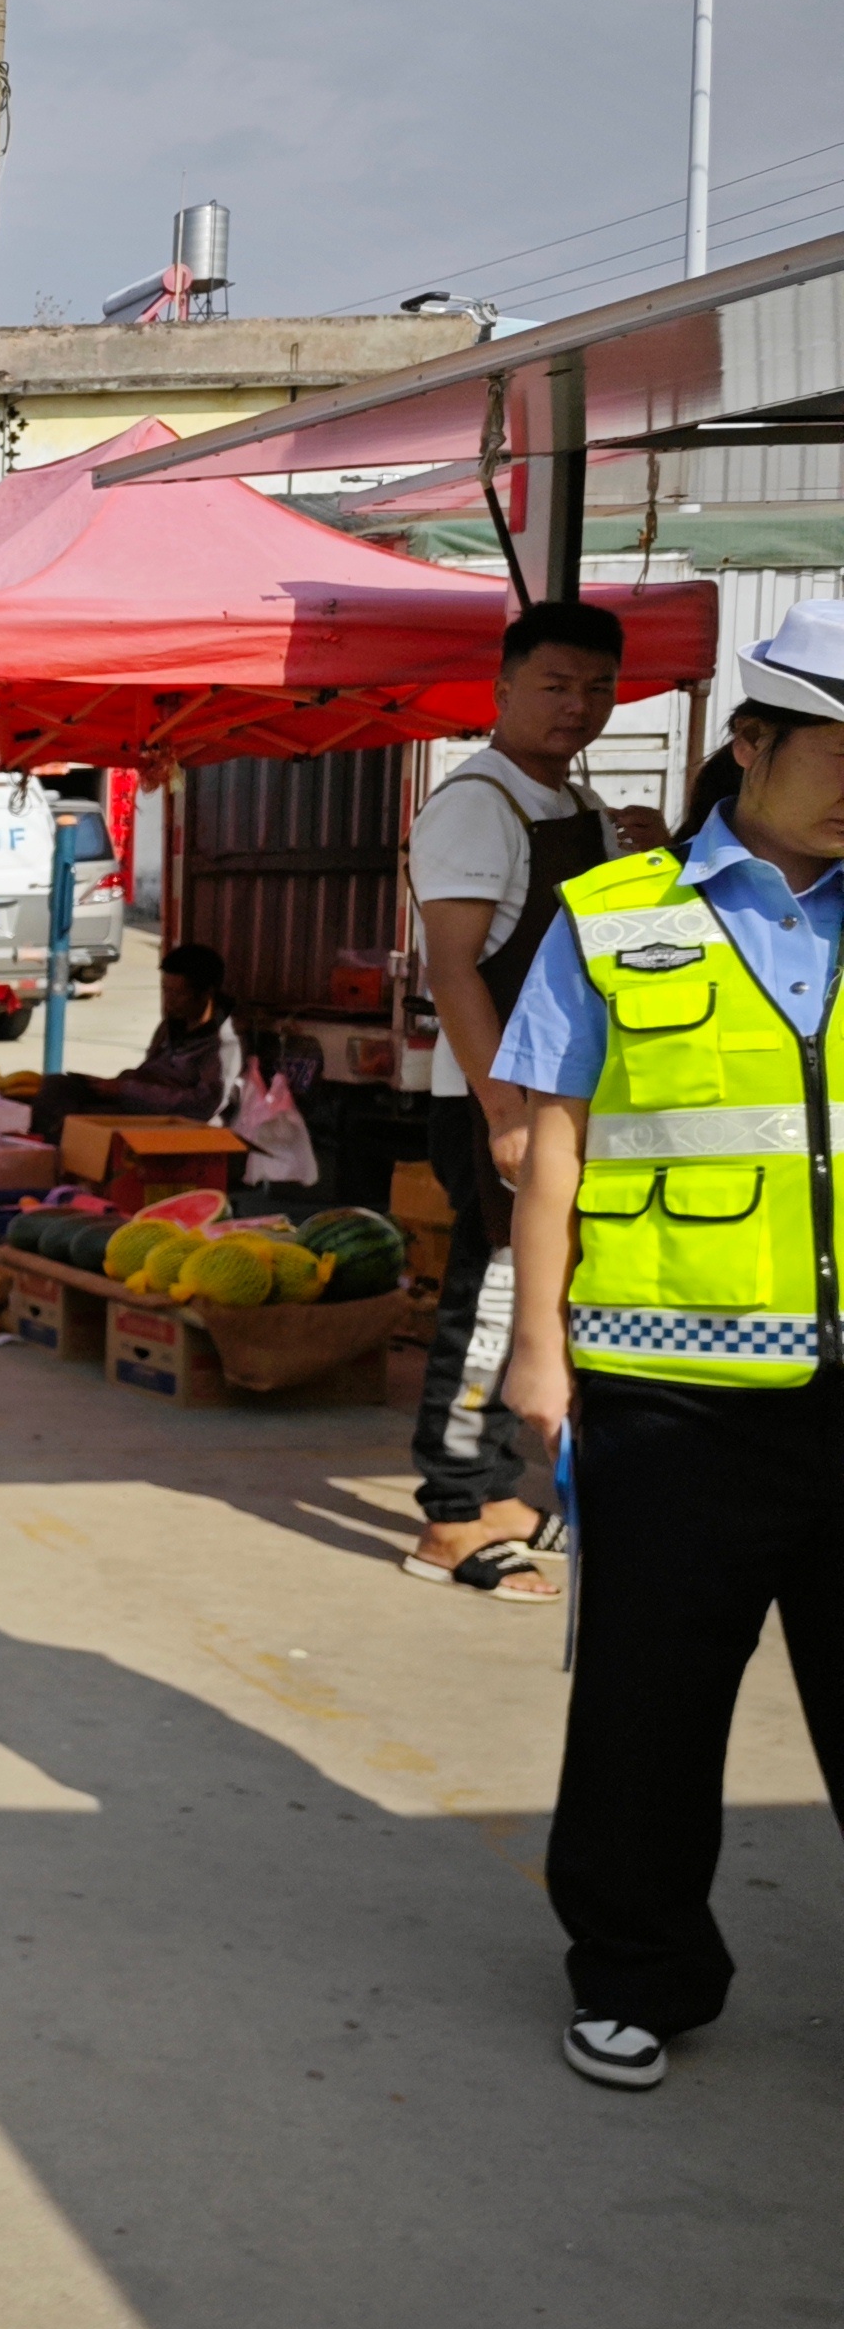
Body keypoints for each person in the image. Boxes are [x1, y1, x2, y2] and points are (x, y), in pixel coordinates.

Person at [497, 603, 844, 2094]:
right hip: (663, 1398)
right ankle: (638, 1973)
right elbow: (552, 1140)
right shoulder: (617, 912)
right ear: (750, 744)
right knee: (648, 1704)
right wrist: (534, 1352)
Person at [402, 604, 666, 1600]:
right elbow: (455, 968)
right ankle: (452, 1515)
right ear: (502, 690)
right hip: (495, 1096)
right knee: (492, 1298)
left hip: (560, 1093)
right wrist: (505, 1111)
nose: (577, 706)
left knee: (536, 1297)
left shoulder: (576, 804)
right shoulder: (478, 804)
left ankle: (501, 1489)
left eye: (595, 687)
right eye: (553, 685)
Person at [19, 940, 238, 1140]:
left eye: (178, 994)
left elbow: (203, 1106)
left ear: (206, 993)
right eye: (165, 990)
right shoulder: (171, 1026)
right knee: (57, 1086)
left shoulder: (224, 1045)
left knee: (84, 1120)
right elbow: (149, 1070)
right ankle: (42, 1150)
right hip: (138, 1099)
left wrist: (126, 1090)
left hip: (173, 1121)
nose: (169, 1001)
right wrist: (114, 1085)